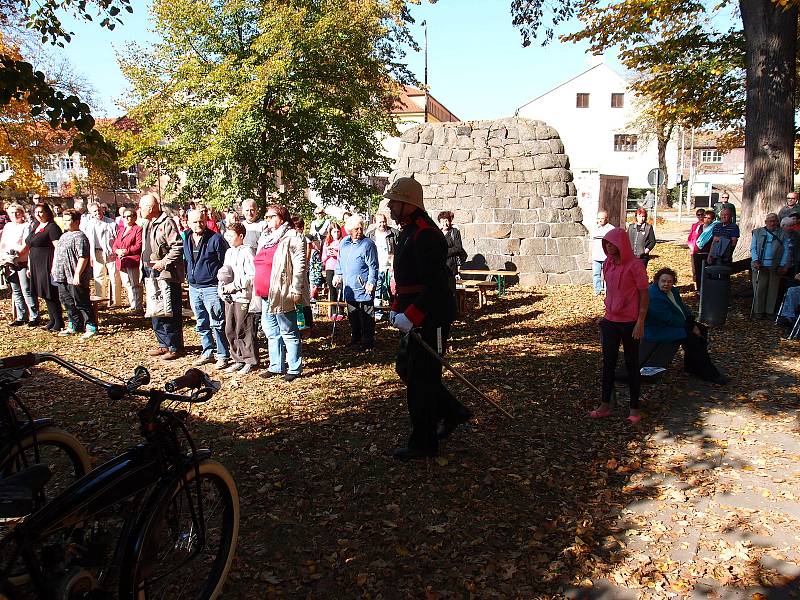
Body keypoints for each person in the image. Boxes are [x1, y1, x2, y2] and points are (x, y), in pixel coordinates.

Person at [384, 176, 471, 461]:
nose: (390, 206)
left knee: (423, 379)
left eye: (394, 201)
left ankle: (424, 442)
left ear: (408, 204)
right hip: (413, 312)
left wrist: (412, 315)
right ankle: (452, 410)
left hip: (430, 316)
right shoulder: (409, 230)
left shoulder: (426, 234)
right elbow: (407, 279)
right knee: (407, 369)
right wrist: (398, 308)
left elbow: (434, 286)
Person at [589, 227, 649, 424]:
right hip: (611, 321)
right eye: (606, 243)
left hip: (630, 322)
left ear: (621, 244)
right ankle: (605, 404)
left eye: (612, 243)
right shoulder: (607, 263)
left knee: (632, 365)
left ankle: (634, 408)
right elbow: (610, 291)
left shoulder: (635, 265)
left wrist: (640, 322)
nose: (609, 246)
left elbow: (643, 294)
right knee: (608, 364)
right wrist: (606, 315)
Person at [645, 268, 727, 384]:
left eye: (669, 281)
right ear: (657, 281)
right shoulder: (654, 296)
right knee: (692, 338)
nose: (666, 284)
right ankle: (710, 373)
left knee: (702, 330)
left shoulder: (672, 291)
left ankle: (691, 366)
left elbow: (682, 307)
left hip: (671, 325)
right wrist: (690, 327)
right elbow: (668, 318)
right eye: (663, 281)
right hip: (658, 329)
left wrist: (691, 322)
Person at [253, 205, 306, 382]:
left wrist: (296, 289)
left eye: (270, 216)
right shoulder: (266, 237)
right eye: (266, 217)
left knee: (288, 330)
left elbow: (299, 266)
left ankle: (294, 367)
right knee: (271, 331)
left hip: (282, 292)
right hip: (265, 292)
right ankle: (276, 366)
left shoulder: (292, 237)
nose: (267, 220)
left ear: (281, 218)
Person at [140, 194, 185, 360]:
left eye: (142, 207)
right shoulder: (148, 224)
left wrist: (164, 262)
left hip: (166, 274)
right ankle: (162, 344)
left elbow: (178, 246)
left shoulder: (167, 223)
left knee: (169, 310)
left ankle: (175, 346)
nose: (140, 210)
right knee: (156, 309)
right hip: (150, 274)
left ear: (150, 208)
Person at [184, 209, 230, 369]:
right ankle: (207, 351)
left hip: (211, 287)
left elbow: (225, 262)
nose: (199, 224)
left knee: (217, 322)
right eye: (195, 222)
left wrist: (221, 283)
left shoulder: (215, 239)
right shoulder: (187, 238)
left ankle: (223, 354)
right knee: (201, 323)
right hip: (194, 287)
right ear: (188, 222)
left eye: (201, 221)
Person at [334, 214, 378, 351]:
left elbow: (373, 265)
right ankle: (356, 337)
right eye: (356, 229)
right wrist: (338, 274)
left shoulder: (368, 244)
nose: (359, 231)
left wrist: (371, 281)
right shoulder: (344, 242)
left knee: (366, 315)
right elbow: (340, 261)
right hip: (349, 286)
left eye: (361, 228)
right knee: (352, 314)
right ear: (349, 230)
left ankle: (367, 341)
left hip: (363, 285)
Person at [219, 222, 258, 374]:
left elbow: (252, 275)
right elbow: (224, 273)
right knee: (230, 328)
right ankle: (237, 358)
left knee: (244, 328)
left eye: (231, 235)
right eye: (226, 235)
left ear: (241, 236)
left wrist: (236, 285)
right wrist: (222, 289)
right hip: (230, 297)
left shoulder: (248, 251)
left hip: (243, 296)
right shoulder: (229, 252)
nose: (228, 238)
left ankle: (250, 359)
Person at [52, 209, 96, 338]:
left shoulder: (80, 237)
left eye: (68, 220)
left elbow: (83, 257)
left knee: (81, 302)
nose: (65, 223)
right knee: (67, 302)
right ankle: (74, 325)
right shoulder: (64, 235)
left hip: (75, 277)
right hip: (62, 276)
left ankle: (91, 327)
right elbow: (58, 253)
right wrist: (54, 268)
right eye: (64, 220)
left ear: (76, 221)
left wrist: (77, 274)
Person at [26, 203, 63, 332]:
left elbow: (58, 247)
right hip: (35, 264)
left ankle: (59, 322)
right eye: (36, 212)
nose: (38, 215)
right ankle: (52, 320)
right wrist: (29, 266)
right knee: (43, 293)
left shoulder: (52, 227)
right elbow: (30, 247)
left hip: (47, 263)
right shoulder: (35, 226)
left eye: (41, 212)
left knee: (50, 293)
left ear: (47, 212)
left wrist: (55, 266)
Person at [0, 203, 37, 325]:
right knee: (16, 290)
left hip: (22, 260)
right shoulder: (8, 226)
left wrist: (16, 255)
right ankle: (21, 316)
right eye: (11, 213)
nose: (14, 215)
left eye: (17, 212)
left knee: (26, 288)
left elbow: (26, 244)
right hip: (8, 261)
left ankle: (34, 316)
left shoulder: (27, 226)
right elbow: (3, 243)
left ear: (22, 213)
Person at [750, 213, 790, 319]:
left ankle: (769, 311)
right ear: (766, 222)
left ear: (777, 222)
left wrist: (782, 264)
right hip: (760, 265)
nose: (772, 223)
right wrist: (755, 260)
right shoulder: (757, 232)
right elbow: (753, 248)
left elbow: (786, 250)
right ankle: (758, 311)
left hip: (775, 265)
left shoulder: (783, 234)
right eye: (770, 221)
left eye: (774, 221)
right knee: (759, 288)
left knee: (773, 289)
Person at [82, 201, 121, 306]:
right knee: (99, 277)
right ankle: (101, 300)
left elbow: (118, 238)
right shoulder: (88, 225)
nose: (97, 212)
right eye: (94, 211)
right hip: (96, 252)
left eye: (99, 210)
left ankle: (116, 301)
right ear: (90, 213)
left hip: (111, 253)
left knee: (114, 276)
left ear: (102, 210)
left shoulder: (111, 223)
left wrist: (116, 251)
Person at [111, 207, 143, 312]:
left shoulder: (138, 229)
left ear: (134, 217)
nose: (127, 218)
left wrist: (126, 251)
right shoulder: (122, 230)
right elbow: (115, 245)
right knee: (127, 284)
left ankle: (138, 306)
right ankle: (132, 304)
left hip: (132, 260)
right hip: (121, 261)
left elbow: (138, 245)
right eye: (124, 216)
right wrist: (117, 251)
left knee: (135, 284)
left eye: (129, 216)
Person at [367, 212, 398, 319]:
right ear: (375, 223)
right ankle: (377, 312)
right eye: (380, 222)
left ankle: (394, 313)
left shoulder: (393, 233)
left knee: (392, 290)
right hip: (376, 267)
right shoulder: (370, 235)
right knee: (377, 290)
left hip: (390, 266)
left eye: (384, 221)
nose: (382, 224)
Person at [322, 225, 344, 319]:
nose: (336, 233)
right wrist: (328, 254)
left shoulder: (343, 242)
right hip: (330, 268)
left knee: (339, 289)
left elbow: (345, 257)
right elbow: (323, 259)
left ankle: (340, 311)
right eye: (334, 231)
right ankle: (333, 311)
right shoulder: (327, 242)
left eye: (338, 231)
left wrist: (337, 254)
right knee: (332, 289)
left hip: (339, 268)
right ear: (330, 232)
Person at [591, 210, 615, 296]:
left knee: (607, 274)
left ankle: (607, 291)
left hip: (607, 256)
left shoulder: (611, 229)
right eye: (598, 218)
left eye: (602, 218)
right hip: (596, 255)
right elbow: (591, 242)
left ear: (606, 219)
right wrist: (590, 255)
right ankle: (597, 290)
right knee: (596, 274)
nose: (600, 220)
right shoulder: (594, 228)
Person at [693, 210, 718, 290]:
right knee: (698, 273)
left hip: (707, 253)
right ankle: (699, 290)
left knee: (707, 273)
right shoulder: (699, 227)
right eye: (705, 217)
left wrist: (711, 255)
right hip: (697, 253)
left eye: (709, 218)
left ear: (712, 219)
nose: (706, 219)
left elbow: (714, 243)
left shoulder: (714, 228)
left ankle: (707, 290)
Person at [437, 210, 467, 277]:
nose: (445, 224)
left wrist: (443, 252)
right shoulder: (438, 233)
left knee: (450, 286)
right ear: (440, 222)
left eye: (446, 221)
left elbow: (458, 248)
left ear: (450, 221)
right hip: (439, 266)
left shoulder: (454, 232)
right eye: (443, 221)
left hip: (451, 266)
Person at [686, 208, 706, 291]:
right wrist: (691, 246)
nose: (700, 216)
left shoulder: (706, 226)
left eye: (702, 214)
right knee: (695, 270)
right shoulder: (694, 225)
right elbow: (690, 237)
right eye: (698, 215)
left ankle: (704, 287)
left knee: (703, 270)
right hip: (693, 251)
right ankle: (697, 287)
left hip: (703, 251)